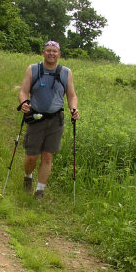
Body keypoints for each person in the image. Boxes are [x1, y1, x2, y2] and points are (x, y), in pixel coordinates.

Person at [17, 40, 80, 200]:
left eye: (54, 51)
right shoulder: (33, 69)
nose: (51, 53)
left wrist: (74, 108)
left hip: (56, 119)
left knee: (48, 156)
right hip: (36, 117)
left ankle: (39, 191)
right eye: (48, 50)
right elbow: (23, 91)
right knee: (32, 156)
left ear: (59, 54)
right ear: (43, 53)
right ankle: (28, 177)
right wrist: (24, 103)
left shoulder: (66, 72)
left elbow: (71, 95)